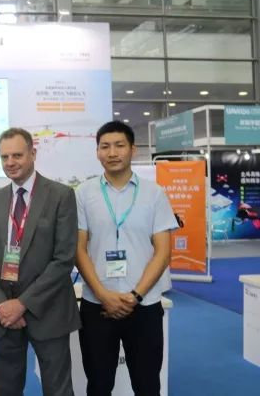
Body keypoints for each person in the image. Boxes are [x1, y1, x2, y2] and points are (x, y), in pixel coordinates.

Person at [75, 121, 178, 396]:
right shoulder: (83, 193)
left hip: (144, 305)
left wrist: (135, 295)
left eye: (119, 145)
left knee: (147, 385)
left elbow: (163, 252)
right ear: (97, 152)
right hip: (97, 305)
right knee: (98, 385)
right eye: (105, 146)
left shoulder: (154, 193)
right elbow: (78, 249)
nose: (112, 153)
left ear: (133, 149)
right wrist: (103, 295)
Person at [0, 127, 80, 396]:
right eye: (4, 157)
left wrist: (22, 304)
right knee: (7, 390)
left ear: (33, 153)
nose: (10, 162)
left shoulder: (61, 195)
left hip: (48, 311)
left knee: (58, 390)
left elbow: (63, 259)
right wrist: (1, 304)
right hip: (3, 316)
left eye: (17, 155)